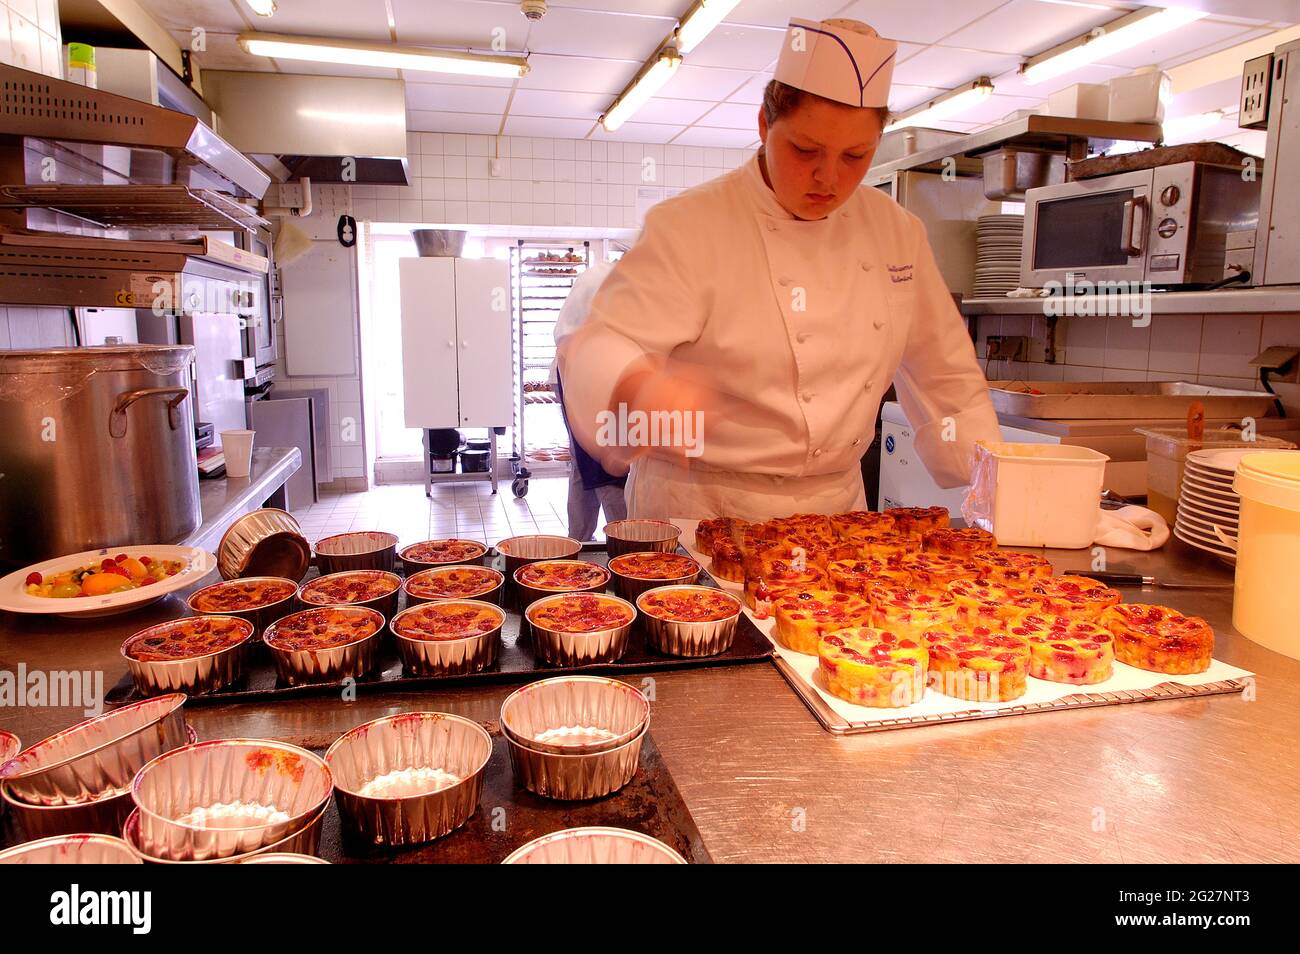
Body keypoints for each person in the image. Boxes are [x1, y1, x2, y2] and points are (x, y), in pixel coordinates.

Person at [558, 17, 999, 522]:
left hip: (836, 514)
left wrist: (993, 480)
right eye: (806, 150)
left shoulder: (897, 233)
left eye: (855, 156)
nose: (828, 177)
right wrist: (636, 389)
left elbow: (946, 373)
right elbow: (604, 341)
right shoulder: (690, 225)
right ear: (765, 126)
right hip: (698, 509)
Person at [549, 259, 628, 540]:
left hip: (584, 376)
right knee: (607, 469)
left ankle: (579, 541)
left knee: (583, 465)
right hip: (584, 379)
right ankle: (627, 545)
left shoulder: (616, 278)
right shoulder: (607, 281)